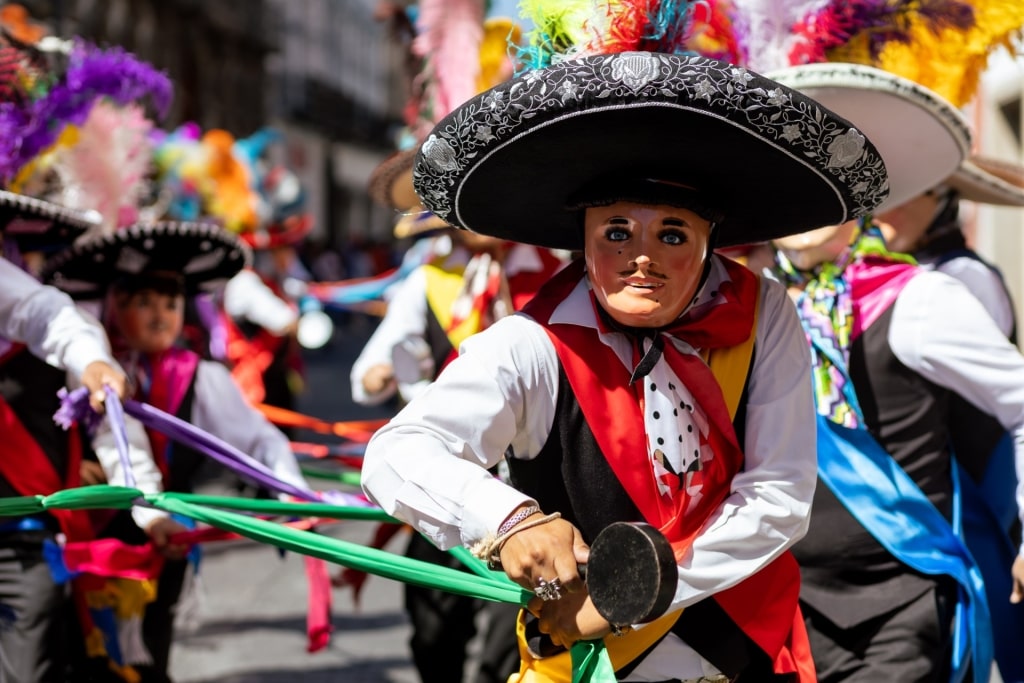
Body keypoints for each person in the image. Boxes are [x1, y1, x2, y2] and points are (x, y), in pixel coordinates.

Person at [361, 50, 889, 682]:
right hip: (579, 665)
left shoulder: (762, 311)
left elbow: (779, 494)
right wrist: (509, 521)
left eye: (671, 234)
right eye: (616, 232)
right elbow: (397, 451)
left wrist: (631, 595)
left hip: (744, 654)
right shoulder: (530, 343)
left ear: (708, 241)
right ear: (582, 239)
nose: (643, 258)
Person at [767, 61, 1024, 683]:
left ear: (858, 199)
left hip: (902, 605)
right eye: (798, 181)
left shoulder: (921, 298)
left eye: (833, 183)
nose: (814, 199)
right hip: (784, 608)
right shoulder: (749, 309)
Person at [42, 220, 310, 682]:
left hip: (171, 532)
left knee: (153, 649)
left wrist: (293, 491)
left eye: (170, 302)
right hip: (90, 536)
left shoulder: (199, 376)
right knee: (84, 655)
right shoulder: (83, 369)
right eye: (143, 302)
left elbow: (260, 439)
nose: (160, 315)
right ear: (113, 307)